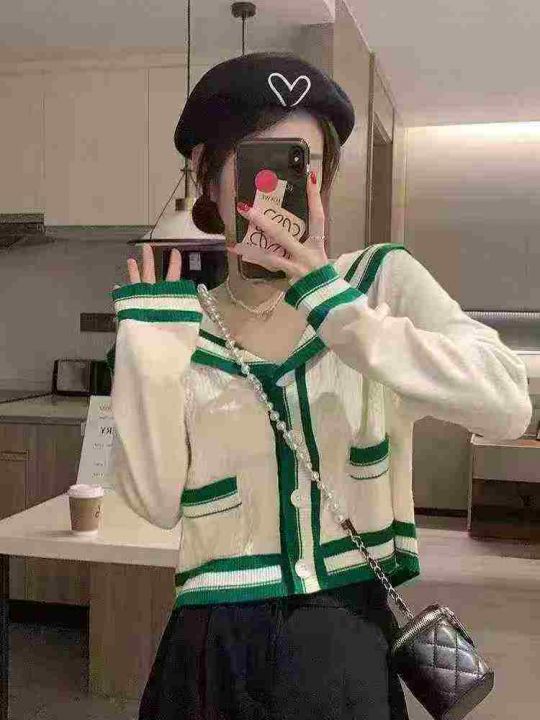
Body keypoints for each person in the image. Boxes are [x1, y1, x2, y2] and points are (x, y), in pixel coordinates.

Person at [107, 52, 532, 720]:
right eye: (260, 164)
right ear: (207, 177)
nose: (281, 192)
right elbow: (155, 504)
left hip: (345, 645)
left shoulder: (376, 286)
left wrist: (335, 307)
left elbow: (507, 404)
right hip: (210, 654)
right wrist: (147, 362)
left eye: (304, 166)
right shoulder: (180, 322)